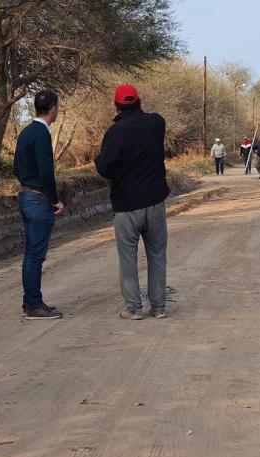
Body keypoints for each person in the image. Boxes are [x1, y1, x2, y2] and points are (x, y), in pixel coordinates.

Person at [95, 84, 170, 320]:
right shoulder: (157, 124)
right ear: (139, 100)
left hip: (127, 206)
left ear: (116, 106)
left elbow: (105, 168)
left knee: (128, 259)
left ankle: (134, 309)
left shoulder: (115, 133)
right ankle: (158, 307)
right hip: (155, 202)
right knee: (157, 255)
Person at [13, 90, 65, 320]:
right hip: (38, 200)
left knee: (30, 254)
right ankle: (34, 306)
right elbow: (46, 171)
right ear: (53, 108)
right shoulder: (42, 134)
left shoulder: (25, 133)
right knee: (35, 255)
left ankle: (32, 302)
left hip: (25, 196)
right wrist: (54, 199)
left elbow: (16, 167)